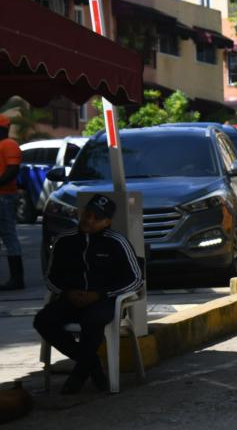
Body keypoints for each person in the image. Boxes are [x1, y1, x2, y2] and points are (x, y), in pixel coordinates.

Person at [34, 194, 142, 394]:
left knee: (93, 321)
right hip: (70, 299)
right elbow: (50, 276)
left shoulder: (117, 242)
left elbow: (135, 279)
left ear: (107, 222)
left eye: (96, 218)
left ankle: (78, 375)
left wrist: (100, 294)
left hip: (103, 300)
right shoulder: (64, 240)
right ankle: (91, 363)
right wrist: (67, 292)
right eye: (87, 214)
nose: (89, 221)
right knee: (43, 321)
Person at [0, 114, 24, 291]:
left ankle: (17, 279)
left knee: (9, 235)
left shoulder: (8, 144)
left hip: (5, 196)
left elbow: (12, 171)